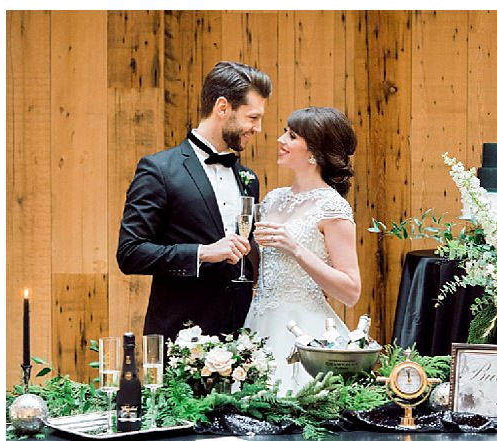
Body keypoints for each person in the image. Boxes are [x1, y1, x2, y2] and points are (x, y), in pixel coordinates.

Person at [117, 61, 272, 343]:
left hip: (243, 339)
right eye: (252, 117)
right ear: (222, 107)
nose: (258, 128)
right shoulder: (159, 170)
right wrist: (202, 253)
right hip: (182, 338)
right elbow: (130, 253)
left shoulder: (248, 177)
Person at [244, 106, 361, 394]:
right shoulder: (273, 200)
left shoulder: (332, 207)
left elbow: (351, 291)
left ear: (314, 153)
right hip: (258, 322)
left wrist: (295, 247)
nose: (280, 140)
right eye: (285, 132)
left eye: (292, 135)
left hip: (303, 331)